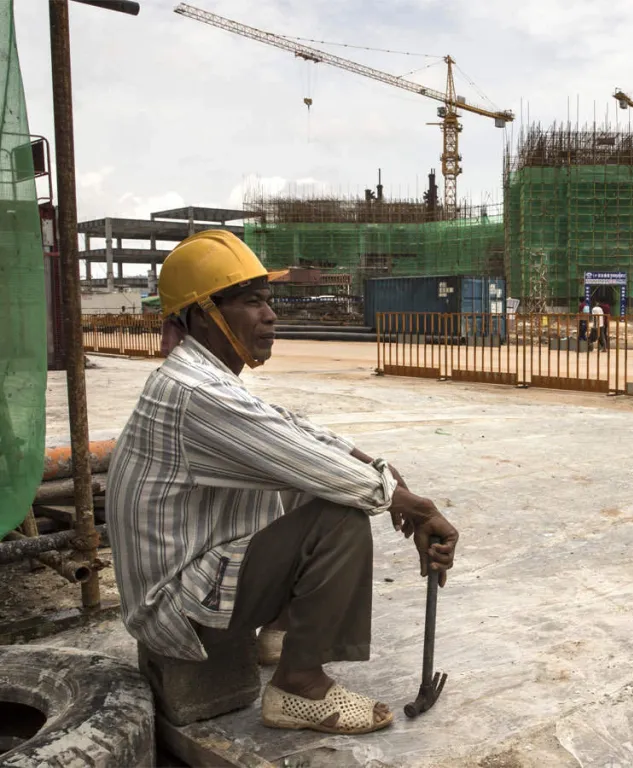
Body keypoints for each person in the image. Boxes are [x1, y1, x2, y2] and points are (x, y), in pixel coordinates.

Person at [106, 230, 458, 736]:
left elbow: (293, 430)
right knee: (339, 517)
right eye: (253, 302)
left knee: (310, 481)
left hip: (188, 573)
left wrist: (380, 469)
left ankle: (279, 630)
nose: (270, 316)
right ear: (205, 314)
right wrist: (412, 506)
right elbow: (314, 464)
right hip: (173, 605)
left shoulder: (206, 379)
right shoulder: (193, 391)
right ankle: (299, 686)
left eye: (267, 301)